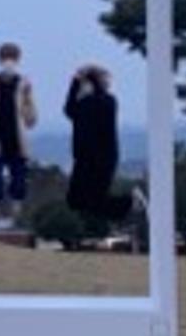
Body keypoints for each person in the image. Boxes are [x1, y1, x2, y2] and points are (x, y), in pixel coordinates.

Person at [63, 65, 148, 221]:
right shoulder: (83, 105)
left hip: (102, 159)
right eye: (107, 81)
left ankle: (130, 202)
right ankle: (130, 203)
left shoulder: (108, 101)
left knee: (95, 200)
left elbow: (92, 104)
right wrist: (76, 82)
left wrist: (90, 81)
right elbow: (69, 109)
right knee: (74, 201)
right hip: (83, 159)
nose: (109, 84)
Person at [0, 43, 38, 227]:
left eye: (12, 58)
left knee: (19, 178)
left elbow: (31, 119)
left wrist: (28, 97)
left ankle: (16, 209)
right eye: (6, 58)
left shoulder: (23, 83)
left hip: (16, 138)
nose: (9, 62)